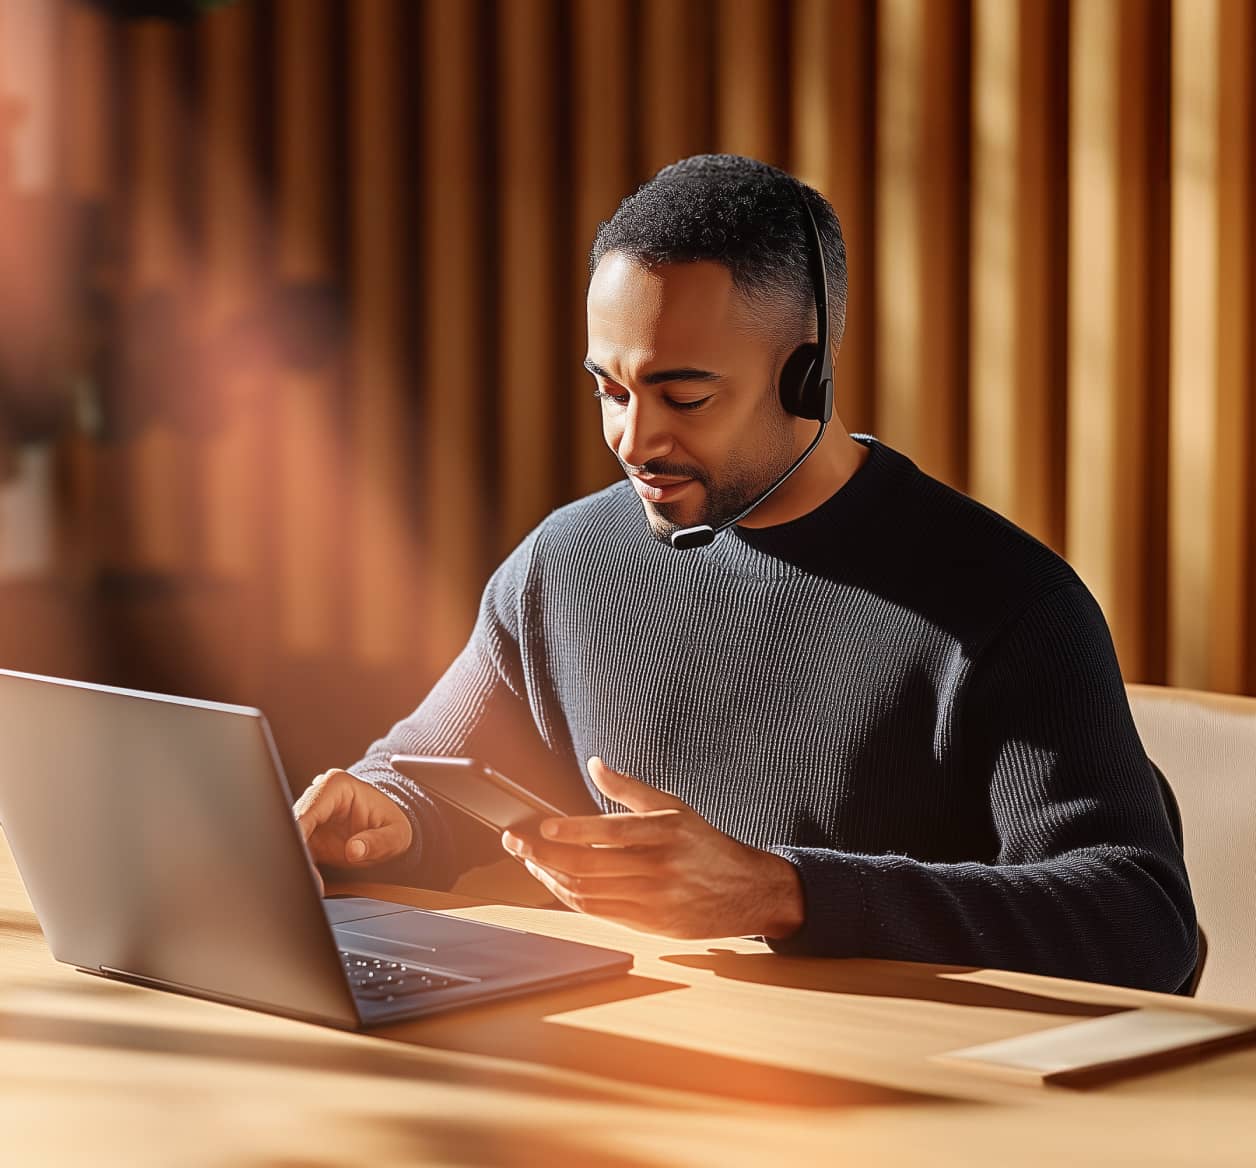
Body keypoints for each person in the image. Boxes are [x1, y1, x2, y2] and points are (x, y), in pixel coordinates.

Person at [295, 154, 1198, 994]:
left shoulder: (1006, 603)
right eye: (610, 390)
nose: (633, 441)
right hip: (644, 1078)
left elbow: (1141, 924)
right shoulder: (563, 565)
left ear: (806, 377)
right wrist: (388, 813)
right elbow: (435, 769)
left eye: (684, 396)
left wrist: (783, 892)